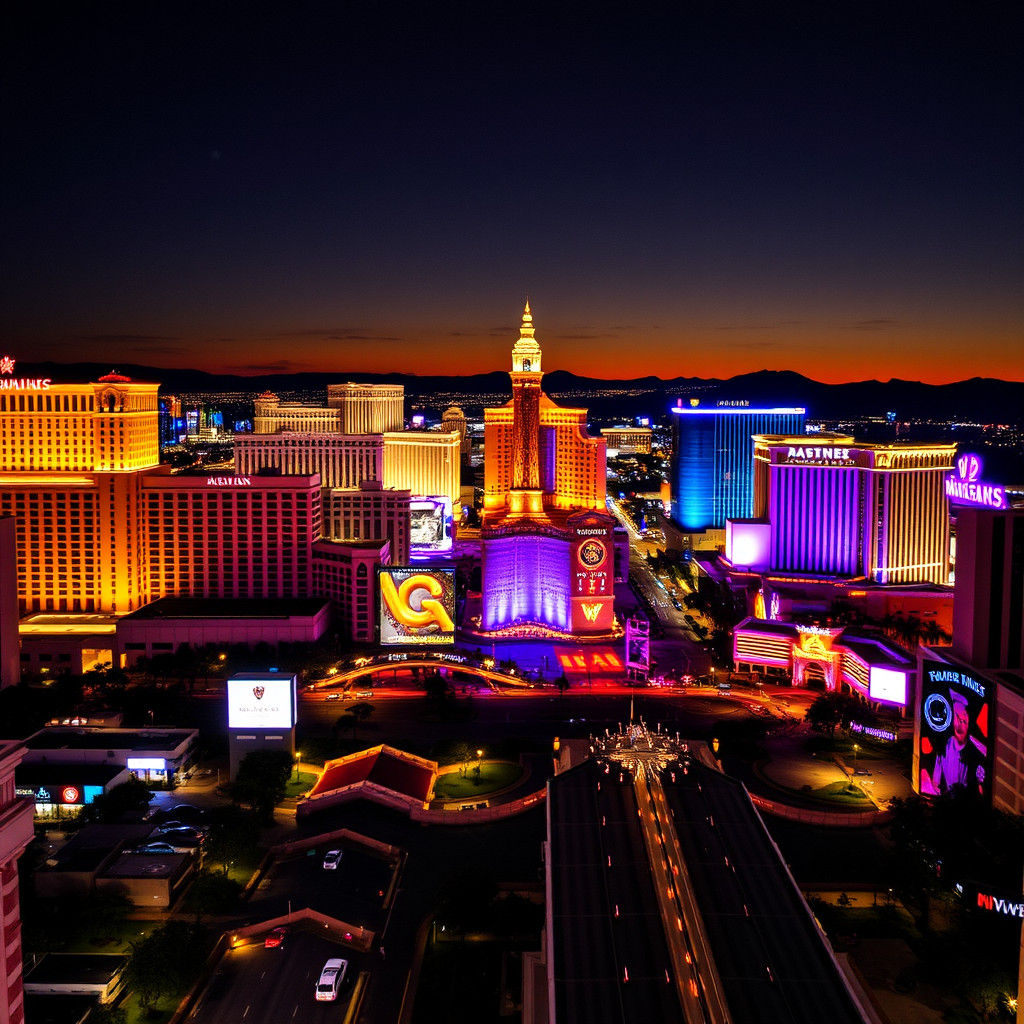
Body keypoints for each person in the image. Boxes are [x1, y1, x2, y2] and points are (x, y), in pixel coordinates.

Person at [928, 691, 985, 796]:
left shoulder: (977, 749)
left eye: (963, 715)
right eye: (957, 715)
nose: (961, 720)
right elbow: (935, 782)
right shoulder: (945, 747)